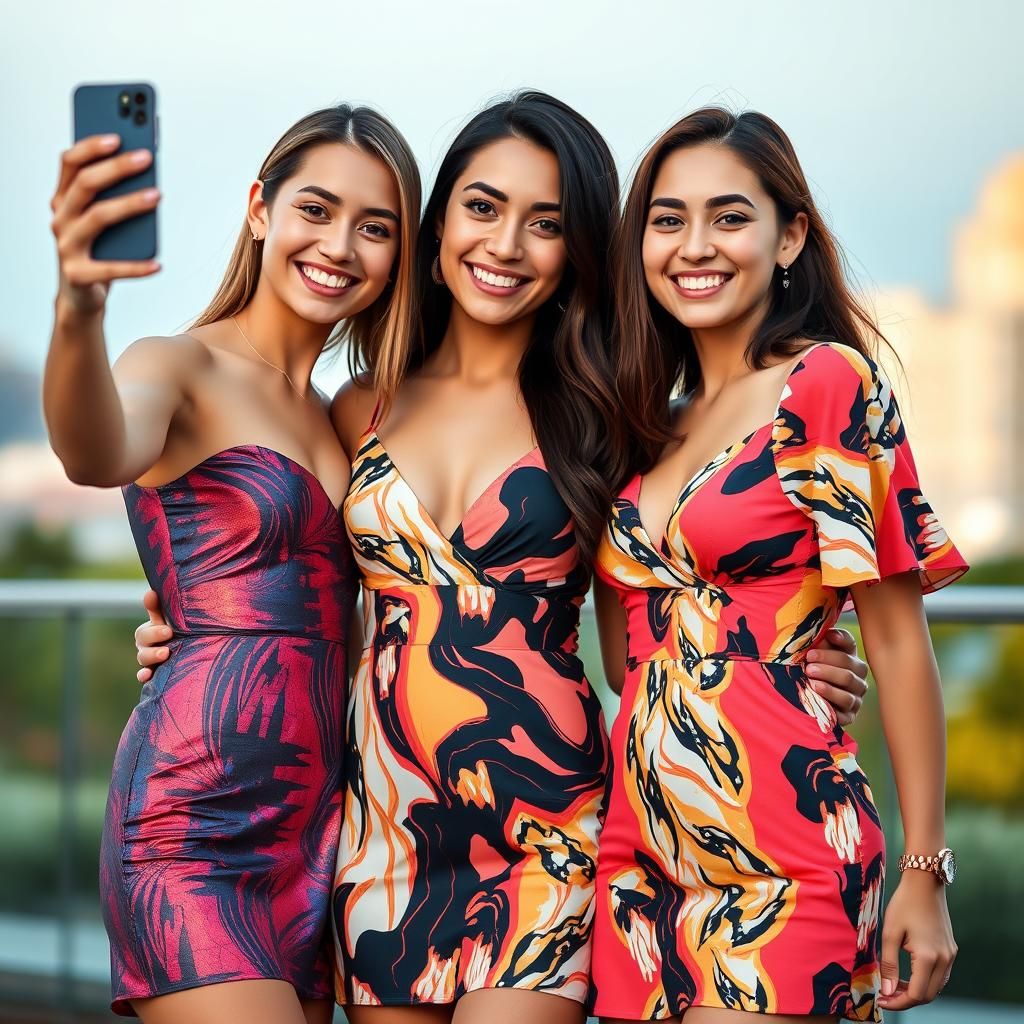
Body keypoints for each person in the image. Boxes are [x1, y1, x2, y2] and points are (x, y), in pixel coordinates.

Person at [131, 93, 872, 1024]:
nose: (508, 244)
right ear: (439, 222)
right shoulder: (360, 405)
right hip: (383, 827)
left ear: (577, 254)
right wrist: (176, 620)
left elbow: (680, 589)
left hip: (546, 828)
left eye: (548, 223)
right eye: (483, 207)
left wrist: (803, 646)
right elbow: (279, 558)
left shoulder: (607, 414)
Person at [590, 107, 967, 1023]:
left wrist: (926, 871)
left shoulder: (826, 386)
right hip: (637, 859)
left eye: (730, 216)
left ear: (789, 234)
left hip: (786, 854)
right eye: (669, 220)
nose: (695, 245)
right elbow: (626, 663)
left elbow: (902, 645)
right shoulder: (645, 423)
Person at [44, 104, 419, 1023]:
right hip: (190, 820)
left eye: (375, 227)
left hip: (319, 834)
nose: (339, 245)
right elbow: (95, 452)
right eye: (317, 210)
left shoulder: (343, 413)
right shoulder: (176, 366)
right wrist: (79, 303)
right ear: (261, 209)